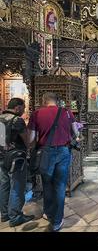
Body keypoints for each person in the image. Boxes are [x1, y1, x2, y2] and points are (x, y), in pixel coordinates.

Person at [28, 92, 79, 232]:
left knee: (47, 183)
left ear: (44, 100)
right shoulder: (67, 112)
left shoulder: (36, 114)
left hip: (46, 152)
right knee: (60, 185)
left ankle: (49, 213)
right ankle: (57, 221)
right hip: (63, 151)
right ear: (57, 101)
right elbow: (76, 132)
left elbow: (30, 138)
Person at [0, 98, 35, 227]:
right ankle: (15, 216)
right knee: (17, 186)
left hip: (1, 158)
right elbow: (27, 141)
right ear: (17, 108)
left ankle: (4, 214)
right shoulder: (17, 120)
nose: (24, 110)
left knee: (4, 185)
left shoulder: (0, 118)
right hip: (16, 159)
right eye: (23, 107)